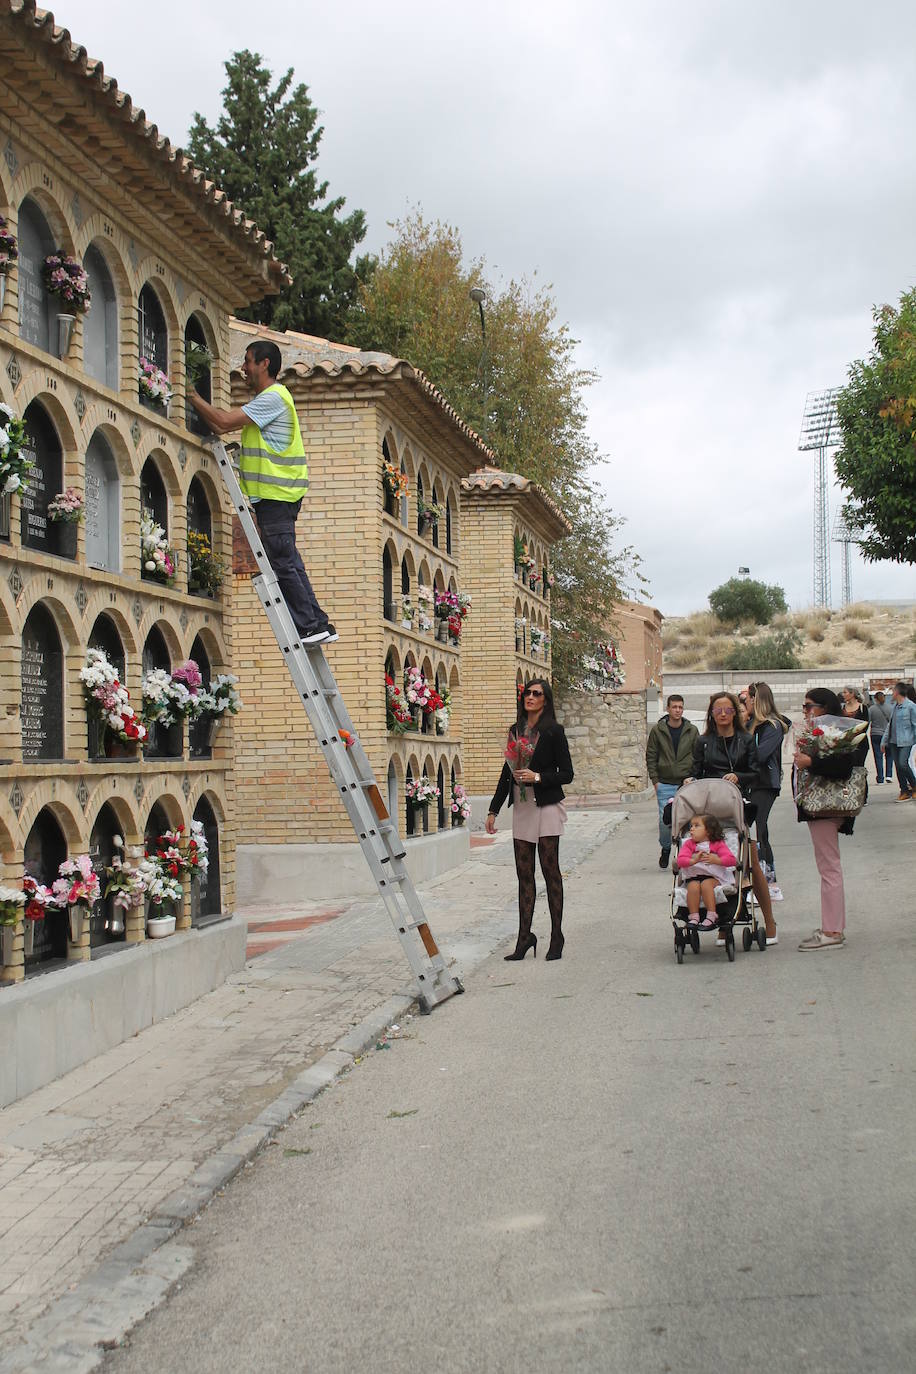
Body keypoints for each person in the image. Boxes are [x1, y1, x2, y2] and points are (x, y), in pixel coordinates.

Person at [187, 339, 337, 645]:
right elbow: (221, 425)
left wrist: (189, 394)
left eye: (248, 361)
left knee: (283, 560)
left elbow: (224, 422)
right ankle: (317, 623)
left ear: (265, 364)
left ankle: (309, 625)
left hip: (277, 495)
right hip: (274, 497)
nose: (243, 368)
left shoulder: (274, 397)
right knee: (288, 560)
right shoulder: (268, 400)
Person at [486, 678, 574, 961]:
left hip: (546, 804)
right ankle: (525, 938)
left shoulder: (554, 732)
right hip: (522, 807)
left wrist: (538, 777)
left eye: (537, 694)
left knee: (550, 873)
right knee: (524, 876)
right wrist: (493, 809)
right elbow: (507, 771)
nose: (530, 697)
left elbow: (567, 773)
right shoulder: (516, 730)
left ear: (545, 700)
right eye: (527, 693)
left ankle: (557, 936)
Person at [689, 691, 778, 944]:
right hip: (710, 810)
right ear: (711, 713)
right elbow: (695, 771)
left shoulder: (746, 740)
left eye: (729, 709)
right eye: (718, 710)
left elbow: (755, 772)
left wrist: (738, 776)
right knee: (716, 865)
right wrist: (690, 780)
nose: (724, 714)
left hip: (739, 806)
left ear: (735, 712)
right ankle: (722, 923)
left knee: (750, 863)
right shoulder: (703, 741)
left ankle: (770, 922)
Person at [794, 687, 868, 950]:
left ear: (824, 707)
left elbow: (843, 767)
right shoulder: (827, 732)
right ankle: (831, 925)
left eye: (809, 705)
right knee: (828, 867)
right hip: (821, 808)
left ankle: (833, 931)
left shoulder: (836, 732)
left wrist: (809, 762)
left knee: (829, 869)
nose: (805, 710)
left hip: (825, 807)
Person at [645, 695, 699, 870]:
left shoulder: (691, 730)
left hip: (686, 783)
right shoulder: (658, 731)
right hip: (665, 783)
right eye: (674, 707)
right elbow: (651, 755)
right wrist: (655, 781)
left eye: (680, 707)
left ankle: (686, 855)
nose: (678, 710)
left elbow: (698, 756)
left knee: (690, 821)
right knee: (665, 821)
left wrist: (693, 777)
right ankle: (666, 848)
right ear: (667, 709)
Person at [745, 682, 786, 900]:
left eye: (748, 698)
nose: (745, 702)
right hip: (750, 783)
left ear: (756, 698)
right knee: (754, 832)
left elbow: (760, 755)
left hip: (765, 783)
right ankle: (765, 883)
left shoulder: (773, 726)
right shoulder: (751, 724)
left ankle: (766, 885)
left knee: (759, 829)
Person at [676, 814, 737, 930]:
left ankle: (711, 914)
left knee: (706, 885)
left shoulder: (717, 844)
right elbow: (681, 861)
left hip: (714, 877)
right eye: (691, 826)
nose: (691, 829)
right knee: (692, 887)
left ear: (708, 831)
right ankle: (694, 916)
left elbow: (731, 860)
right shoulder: (689, 844)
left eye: (696, 826)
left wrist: (717, 860)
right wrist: (693, 860)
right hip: (694, 876)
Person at [880, 681, 916, 799]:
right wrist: (884, 741)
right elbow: (890, 725)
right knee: (898, 766)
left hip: (906, 741)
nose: (892, 694)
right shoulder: (895, 707)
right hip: (893, 742)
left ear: (897, 692)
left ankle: (914, 786)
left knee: (903, 764)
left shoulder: (911, 706)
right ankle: (904, 791)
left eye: (893, 691)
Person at [867, 690, 892, 784]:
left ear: (875, 699)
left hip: (875, 734)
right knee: (889, 755)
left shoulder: (871, 709)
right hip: (888, 735)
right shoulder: (890, 708)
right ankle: (889, 775)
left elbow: (868, 721)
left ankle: (880, 778)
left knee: (878, 756)